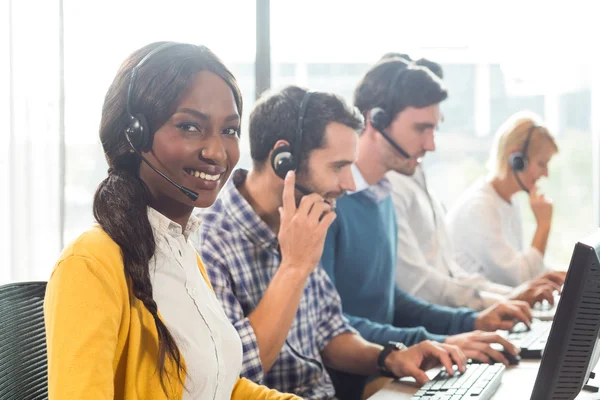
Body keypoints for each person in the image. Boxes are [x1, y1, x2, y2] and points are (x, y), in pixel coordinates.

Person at [43, 42, 298, 400]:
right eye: (191, 127)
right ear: (134, 134)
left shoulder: (182, 250)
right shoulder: (90, 263)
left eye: (229, 130)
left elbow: (218, 384)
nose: (216, 153)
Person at [193, 86, 467, 399]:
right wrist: (294, 266)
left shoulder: (299, 221)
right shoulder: (208, 243)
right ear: (283, 159)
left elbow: (330, 332)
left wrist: (390, 358)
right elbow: (235, 372)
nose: (349, 184)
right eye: (338, 167)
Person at [321, 57, 530, 370]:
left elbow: (390, 301)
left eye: (434, 129)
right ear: (374, 121)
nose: (431, 144)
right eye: (421, 129)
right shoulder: (330, 202)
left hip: (388, 366)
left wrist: (471, 321)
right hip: (355, 377)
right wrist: (440, 342)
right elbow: (328, 324)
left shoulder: (381, 196)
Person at [447, 111, 563, 287]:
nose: (546, 174)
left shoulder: (507, 201)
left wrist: (557, 275)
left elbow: (524, 266)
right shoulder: (480, 207)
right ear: (516, 159)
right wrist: (543, 226)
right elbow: (518, 279)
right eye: (541, 164)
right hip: (479, 310)